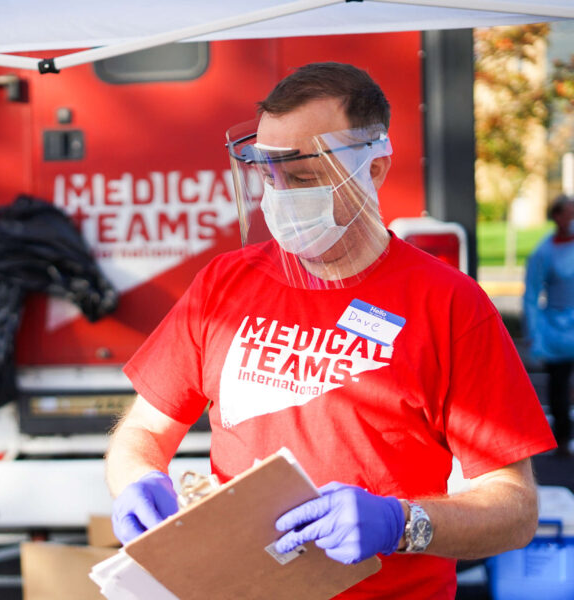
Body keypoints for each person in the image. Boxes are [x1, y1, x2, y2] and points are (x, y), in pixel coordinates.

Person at [106, 62, 555, 599]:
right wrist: (135, 478)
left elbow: (514, 508)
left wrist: (403, 523)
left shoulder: (449, 303)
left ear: (376, 168)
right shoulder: (223, 284)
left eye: (302, 177)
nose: (280, 195)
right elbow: (143, 432)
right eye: (269, 175)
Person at [523, 194, 574, 457]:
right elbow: (531, 295)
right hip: (559, 331)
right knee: (558, 385)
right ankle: (563, 436)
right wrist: (533, 333)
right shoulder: (544, 253)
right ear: (556, 217)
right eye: (568, 213)